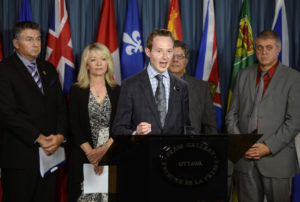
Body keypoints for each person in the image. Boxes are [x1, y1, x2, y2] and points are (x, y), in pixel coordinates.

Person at [226, 30, 300, 202]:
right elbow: (232, 115)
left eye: (269, 47)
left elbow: (294, 121)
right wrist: (241, 143)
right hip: (245, 158)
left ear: (278, 49)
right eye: (259, 48)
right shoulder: (243, 75)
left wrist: (268, 147)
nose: (264, 52)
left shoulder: (294, 78)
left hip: (277, 159)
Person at [0, 21, 67, 202]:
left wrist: (60, 135)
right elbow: (6, 113)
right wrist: (39, 138)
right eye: (29, 39)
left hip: (50, 155)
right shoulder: (4, 70)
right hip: (20, 158)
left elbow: (61, 108)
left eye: (38, 39)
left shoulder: (49, 69)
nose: (36, 44)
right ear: (16, 43)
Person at [112, 29, 193, 136]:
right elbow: (118, 129)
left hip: (173, 152)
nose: (165, 57)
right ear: (148, 52)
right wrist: (135, 133)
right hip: (144, 150)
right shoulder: (130, 85)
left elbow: (186, 127)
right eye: (159, 51)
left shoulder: (182, 86)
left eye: (169, 51)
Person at [67, 43, 120, 202]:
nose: (98, 63)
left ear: (108, 63)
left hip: (111, 154)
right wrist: (92, 155)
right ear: (86, 64)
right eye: (93, 59)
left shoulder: (118, 90)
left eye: (103, 59)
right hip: (84, 155)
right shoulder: (76, 90)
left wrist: (103, 153)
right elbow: (74, 125)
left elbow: (120, 125)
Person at [168, 40, 218, 134]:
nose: (175, 60)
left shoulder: (202, 88)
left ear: (186, 61)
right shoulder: (152, 86)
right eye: (171, 55)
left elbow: (210, 126)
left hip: (193, 145)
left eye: (180, 56)